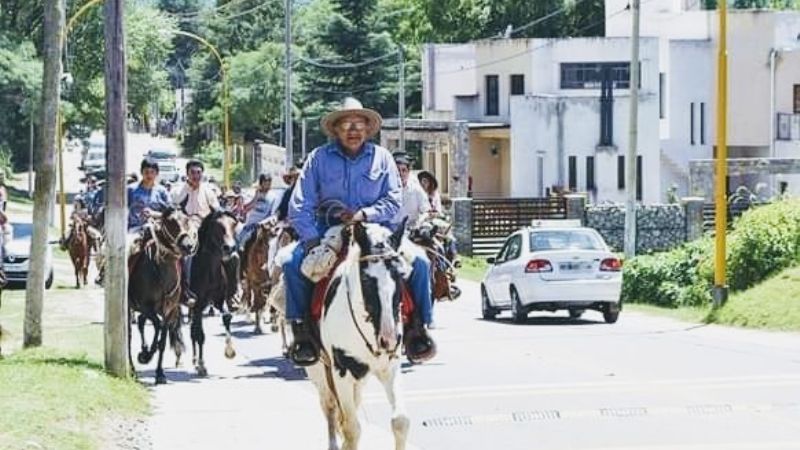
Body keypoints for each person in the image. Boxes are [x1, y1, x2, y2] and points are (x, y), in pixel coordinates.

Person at [284, 97, 436, 366]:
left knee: (422, 263)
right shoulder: (318, 158)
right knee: (291, 262)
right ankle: (302, 331)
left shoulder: (383, 158)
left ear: (367, 128)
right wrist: (311, 240)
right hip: (327, 228)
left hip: (376, 230)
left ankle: (418, 328)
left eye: (358, 124)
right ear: (336, 129)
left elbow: (393, 200)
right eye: (346, 124)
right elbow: (300, 204)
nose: (353, 130)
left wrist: (364, 214)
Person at [391, 153, 431, 229]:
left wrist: (419, 222)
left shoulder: (416, 190)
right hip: (391, 230)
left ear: (408, 172)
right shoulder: (386, 190)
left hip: (411, 229)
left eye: (404, 170)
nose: (401, 174)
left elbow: (426, 211)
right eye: (397, 171)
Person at [174, 160, 220, 224]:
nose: (196, 176)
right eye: (192, 172)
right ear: (187, 173)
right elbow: (173, 211)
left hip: (204, 226)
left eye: (198, 172)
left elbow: (216, 210)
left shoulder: (209, 192)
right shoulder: (177, 191)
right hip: (184, 226)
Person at [238, 173, 278, 246]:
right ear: (261, 183)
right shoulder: (252, 193)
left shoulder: (274, 196)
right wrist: (255, 197)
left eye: (269, 183)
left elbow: (272, 214)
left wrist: (263, 224)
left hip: (263, 226)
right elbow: (245, 209)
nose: (268, 186)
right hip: (249, 225)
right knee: (238, 240)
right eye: (265, 183)